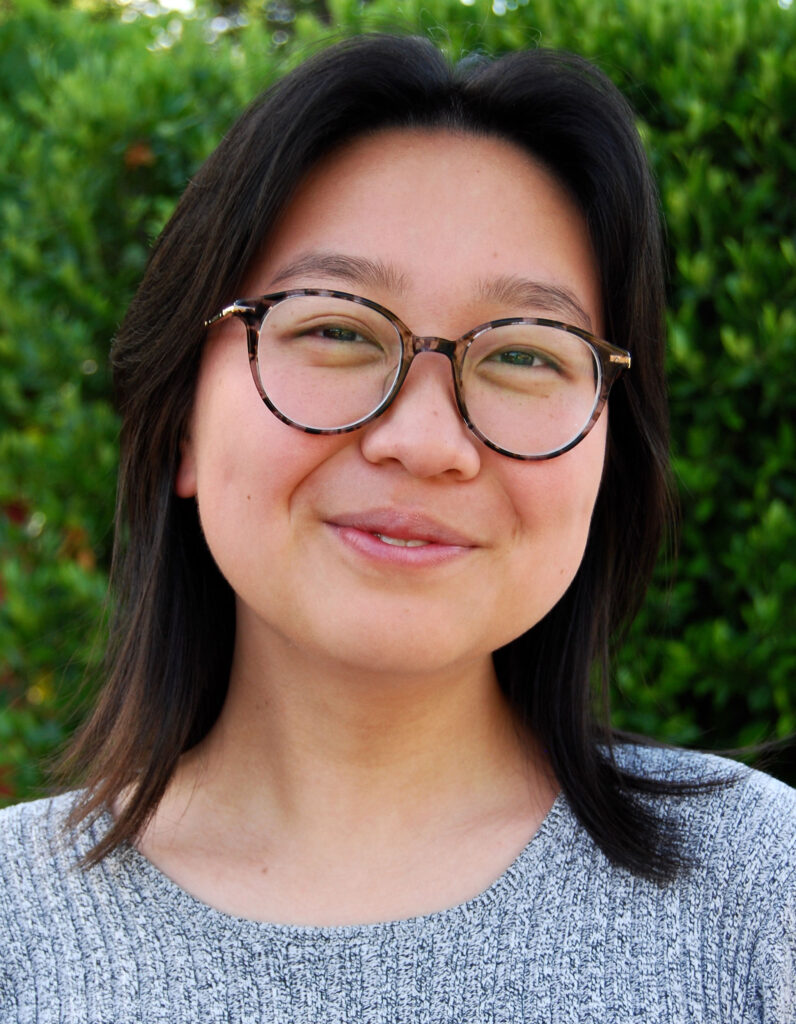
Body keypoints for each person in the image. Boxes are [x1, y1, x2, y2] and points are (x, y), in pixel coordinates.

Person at [0, 33, 793, 1024]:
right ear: (179, 425)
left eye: (525, 357)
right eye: (335, 328)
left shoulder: (763, 895)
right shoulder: (15, 932)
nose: (425, 441)